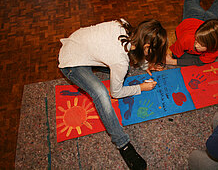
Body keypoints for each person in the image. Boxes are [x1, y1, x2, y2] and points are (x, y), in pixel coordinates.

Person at [58, 18, 168, 169]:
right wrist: (141, 87)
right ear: (147, 47)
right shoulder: (120, 61)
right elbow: (116, 93)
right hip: (71, 63)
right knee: (101, 93)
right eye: (150, 53)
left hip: (78, 42)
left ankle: (112, 66)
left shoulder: (123, 24)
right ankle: (123, 144)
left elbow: (130, 51)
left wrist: (145, 64)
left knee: (122, 68)